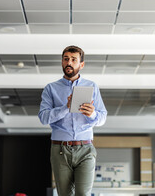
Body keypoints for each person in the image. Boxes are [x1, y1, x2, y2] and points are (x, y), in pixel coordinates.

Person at [38, 45, 107, 196]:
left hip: (86, 149)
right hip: (60, 150)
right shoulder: (51, 89)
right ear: (62, 62)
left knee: (83, 194)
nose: (69, 62)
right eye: (66, 59)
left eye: (73, 60)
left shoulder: (92, 86)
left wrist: (93, 114)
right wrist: (65, 108)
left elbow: (102, 118)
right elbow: (43, 117)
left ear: (81, 64)